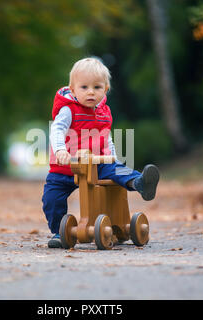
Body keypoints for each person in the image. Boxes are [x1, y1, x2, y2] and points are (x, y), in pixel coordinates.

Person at [42, 57, 159, 248]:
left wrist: (113, 155)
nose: (90, 92)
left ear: (105, 89)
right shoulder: (68, 109)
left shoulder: (104, 111)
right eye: (84, 87)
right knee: (52, 199)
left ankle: (140, 182)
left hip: (98, 163)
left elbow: (106, 137)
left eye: (97, 87)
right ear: (73, 90)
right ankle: (58, 231)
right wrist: (61, 150)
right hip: (66, 167)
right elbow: (57, 129)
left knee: (118, 170)